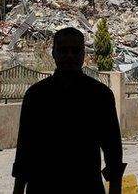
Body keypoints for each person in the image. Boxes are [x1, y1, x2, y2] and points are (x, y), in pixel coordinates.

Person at [12, 27, 125, 193]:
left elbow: (113, 151)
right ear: (54, 53)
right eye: (63, 50)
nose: (69, 55)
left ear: (84, 54)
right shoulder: (36, 96)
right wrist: (18, 190)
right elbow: (25, 148)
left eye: (75, 50)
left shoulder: (100, 96)